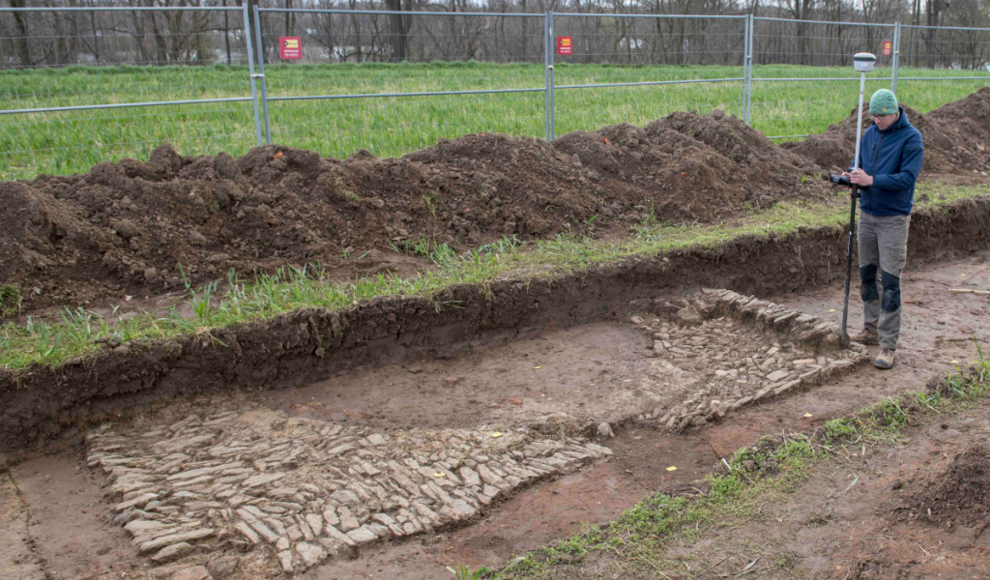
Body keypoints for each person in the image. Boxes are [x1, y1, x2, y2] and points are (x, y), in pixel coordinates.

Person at [843, 89, 924, 370]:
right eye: (873, 116)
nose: (876, 120)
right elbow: (862, 167)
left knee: (889, 282)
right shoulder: (869, 134)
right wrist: (852, 174)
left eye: (880, 116)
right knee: (867, 276)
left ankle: (888, 344)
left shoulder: (911, 138)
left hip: (893, 218)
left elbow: (907, 178)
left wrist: (871, 180)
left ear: (894, 112)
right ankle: (870, 328)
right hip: (867, 214)